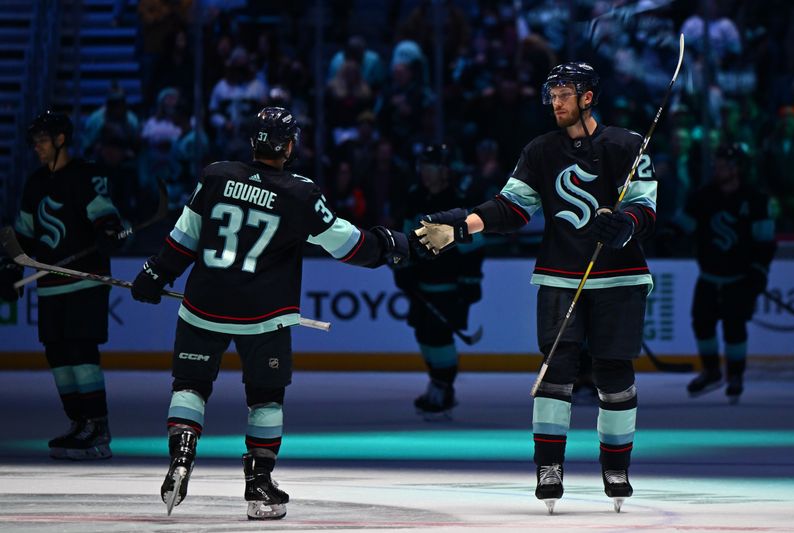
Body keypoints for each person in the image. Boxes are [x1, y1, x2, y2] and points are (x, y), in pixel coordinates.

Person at [130, 106, 412, 520]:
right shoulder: (300, 193)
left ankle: (183, 456)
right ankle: (259, 485)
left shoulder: (215, 175)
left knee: (190, 385)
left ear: (253, 141)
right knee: (265, 398)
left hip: (202, 305)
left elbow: (182, 239)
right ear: (291, 144)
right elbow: (347, 245)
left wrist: (153, 275)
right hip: (264, 315)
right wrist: (387, 245)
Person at [412, 63, 657, 512]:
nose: (554, 102)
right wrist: (459, 227)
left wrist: (624, 225)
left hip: (620, 278)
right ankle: (549, 467)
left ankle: (616, 467)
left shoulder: (628, 145)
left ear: (587, 97)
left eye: (564, 94)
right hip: (559, 276)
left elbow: (646, 207)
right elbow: (512, 208)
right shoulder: (540, 150)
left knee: (614, 372)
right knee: (556, 371)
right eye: (552, 94)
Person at [0, 110, 124, 460]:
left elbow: (107, 218)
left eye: (41, 141)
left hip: (85, 281)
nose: (36, 148)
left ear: (60, 139)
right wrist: (9, 270)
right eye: (34, 142)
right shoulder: (35, 183)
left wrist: (110, 231)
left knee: (81, 353)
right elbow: (23, 234)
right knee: (57, 355)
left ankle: (97, 426)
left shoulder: (87, 176)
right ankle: (78, 422)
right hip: (51, 285)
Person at [674, 143, 776, 403]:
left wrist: (759, 270)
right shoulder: (702, 196)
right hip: (709, 275)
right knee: (702, 323)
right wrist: (667, 234)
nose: (719, 169)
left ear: (737, 168)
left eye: (724, 165)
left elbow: (765, 241)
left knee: (735, 327)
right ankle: (711, 371)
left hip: (739, 277)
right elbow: (684, 225)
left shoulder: (755, 199)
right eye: (716, 165)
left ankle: (735, 375)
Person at [393, 144, 484, 420]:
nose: (423, 171)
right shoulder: (415, 196)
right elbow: (406, 236)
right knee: (423, 334)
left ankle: (444, 388)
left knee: (440, 337)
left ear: (444, 170)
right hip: (421, 282)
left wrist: (470, 282)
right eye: (422, 165)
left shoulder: (457, 200)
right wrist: (403, 267)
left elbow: (474, 246)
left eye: (429, 165)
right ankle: (436, 383)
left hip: (450, 285)